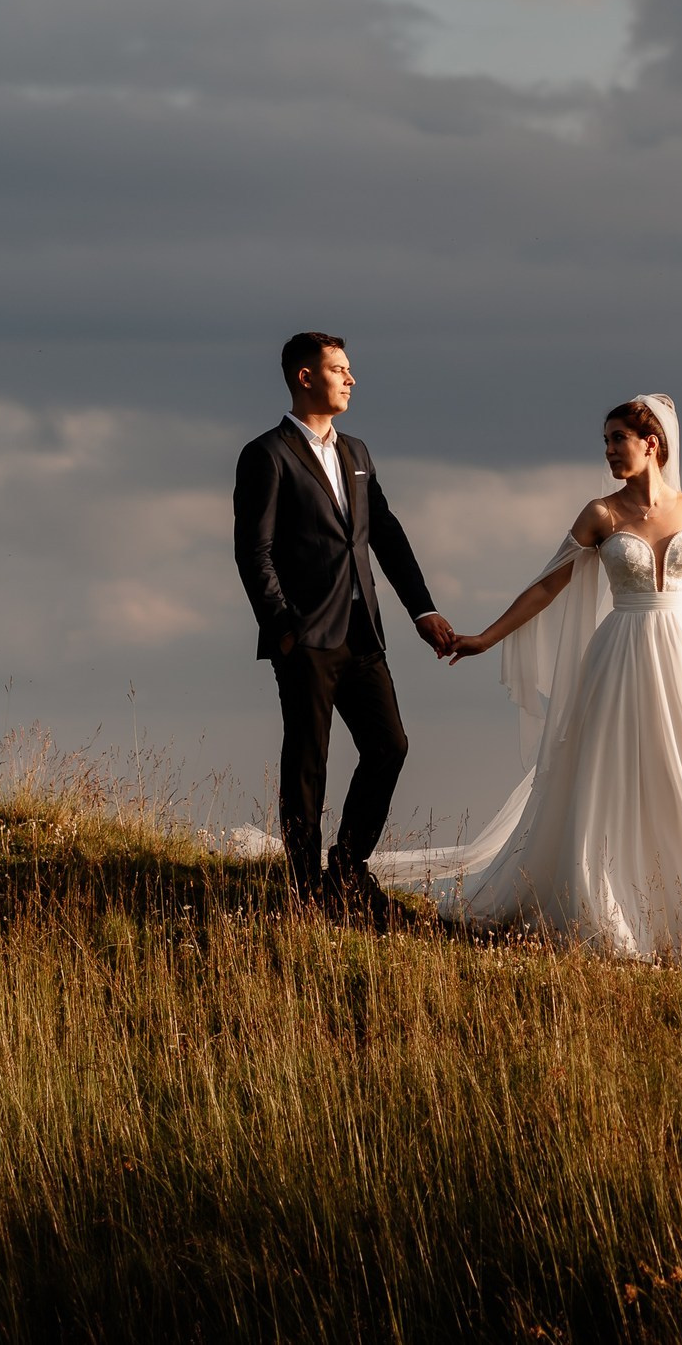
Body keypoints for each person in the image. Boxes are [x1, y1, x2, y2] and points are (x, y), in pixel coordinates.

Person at [373, 393, 682, 959]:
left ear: (653, 444)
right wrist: (486, 637)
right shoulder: (601, 514)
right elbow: (549, 583)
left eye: (618, 439)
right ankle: (613, 909)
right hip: (621, 655)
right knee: (613, 775)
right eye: (605, 442)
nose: (609, 452)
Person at [231, 332, 457, 924]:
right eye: (339, 369)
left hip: (364, 635)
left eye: (350, 369)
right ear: (305, 377)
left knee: (390, 746)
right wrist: (285, 631)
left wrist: (422, 609)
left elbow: (384, 532)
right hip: (306, 639)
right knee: (308, 763)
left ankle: (348, 872)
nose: (351, 379)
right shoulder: (268, 454)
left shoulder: (357, 451)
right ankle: (306, 894)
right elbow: (253, 552)